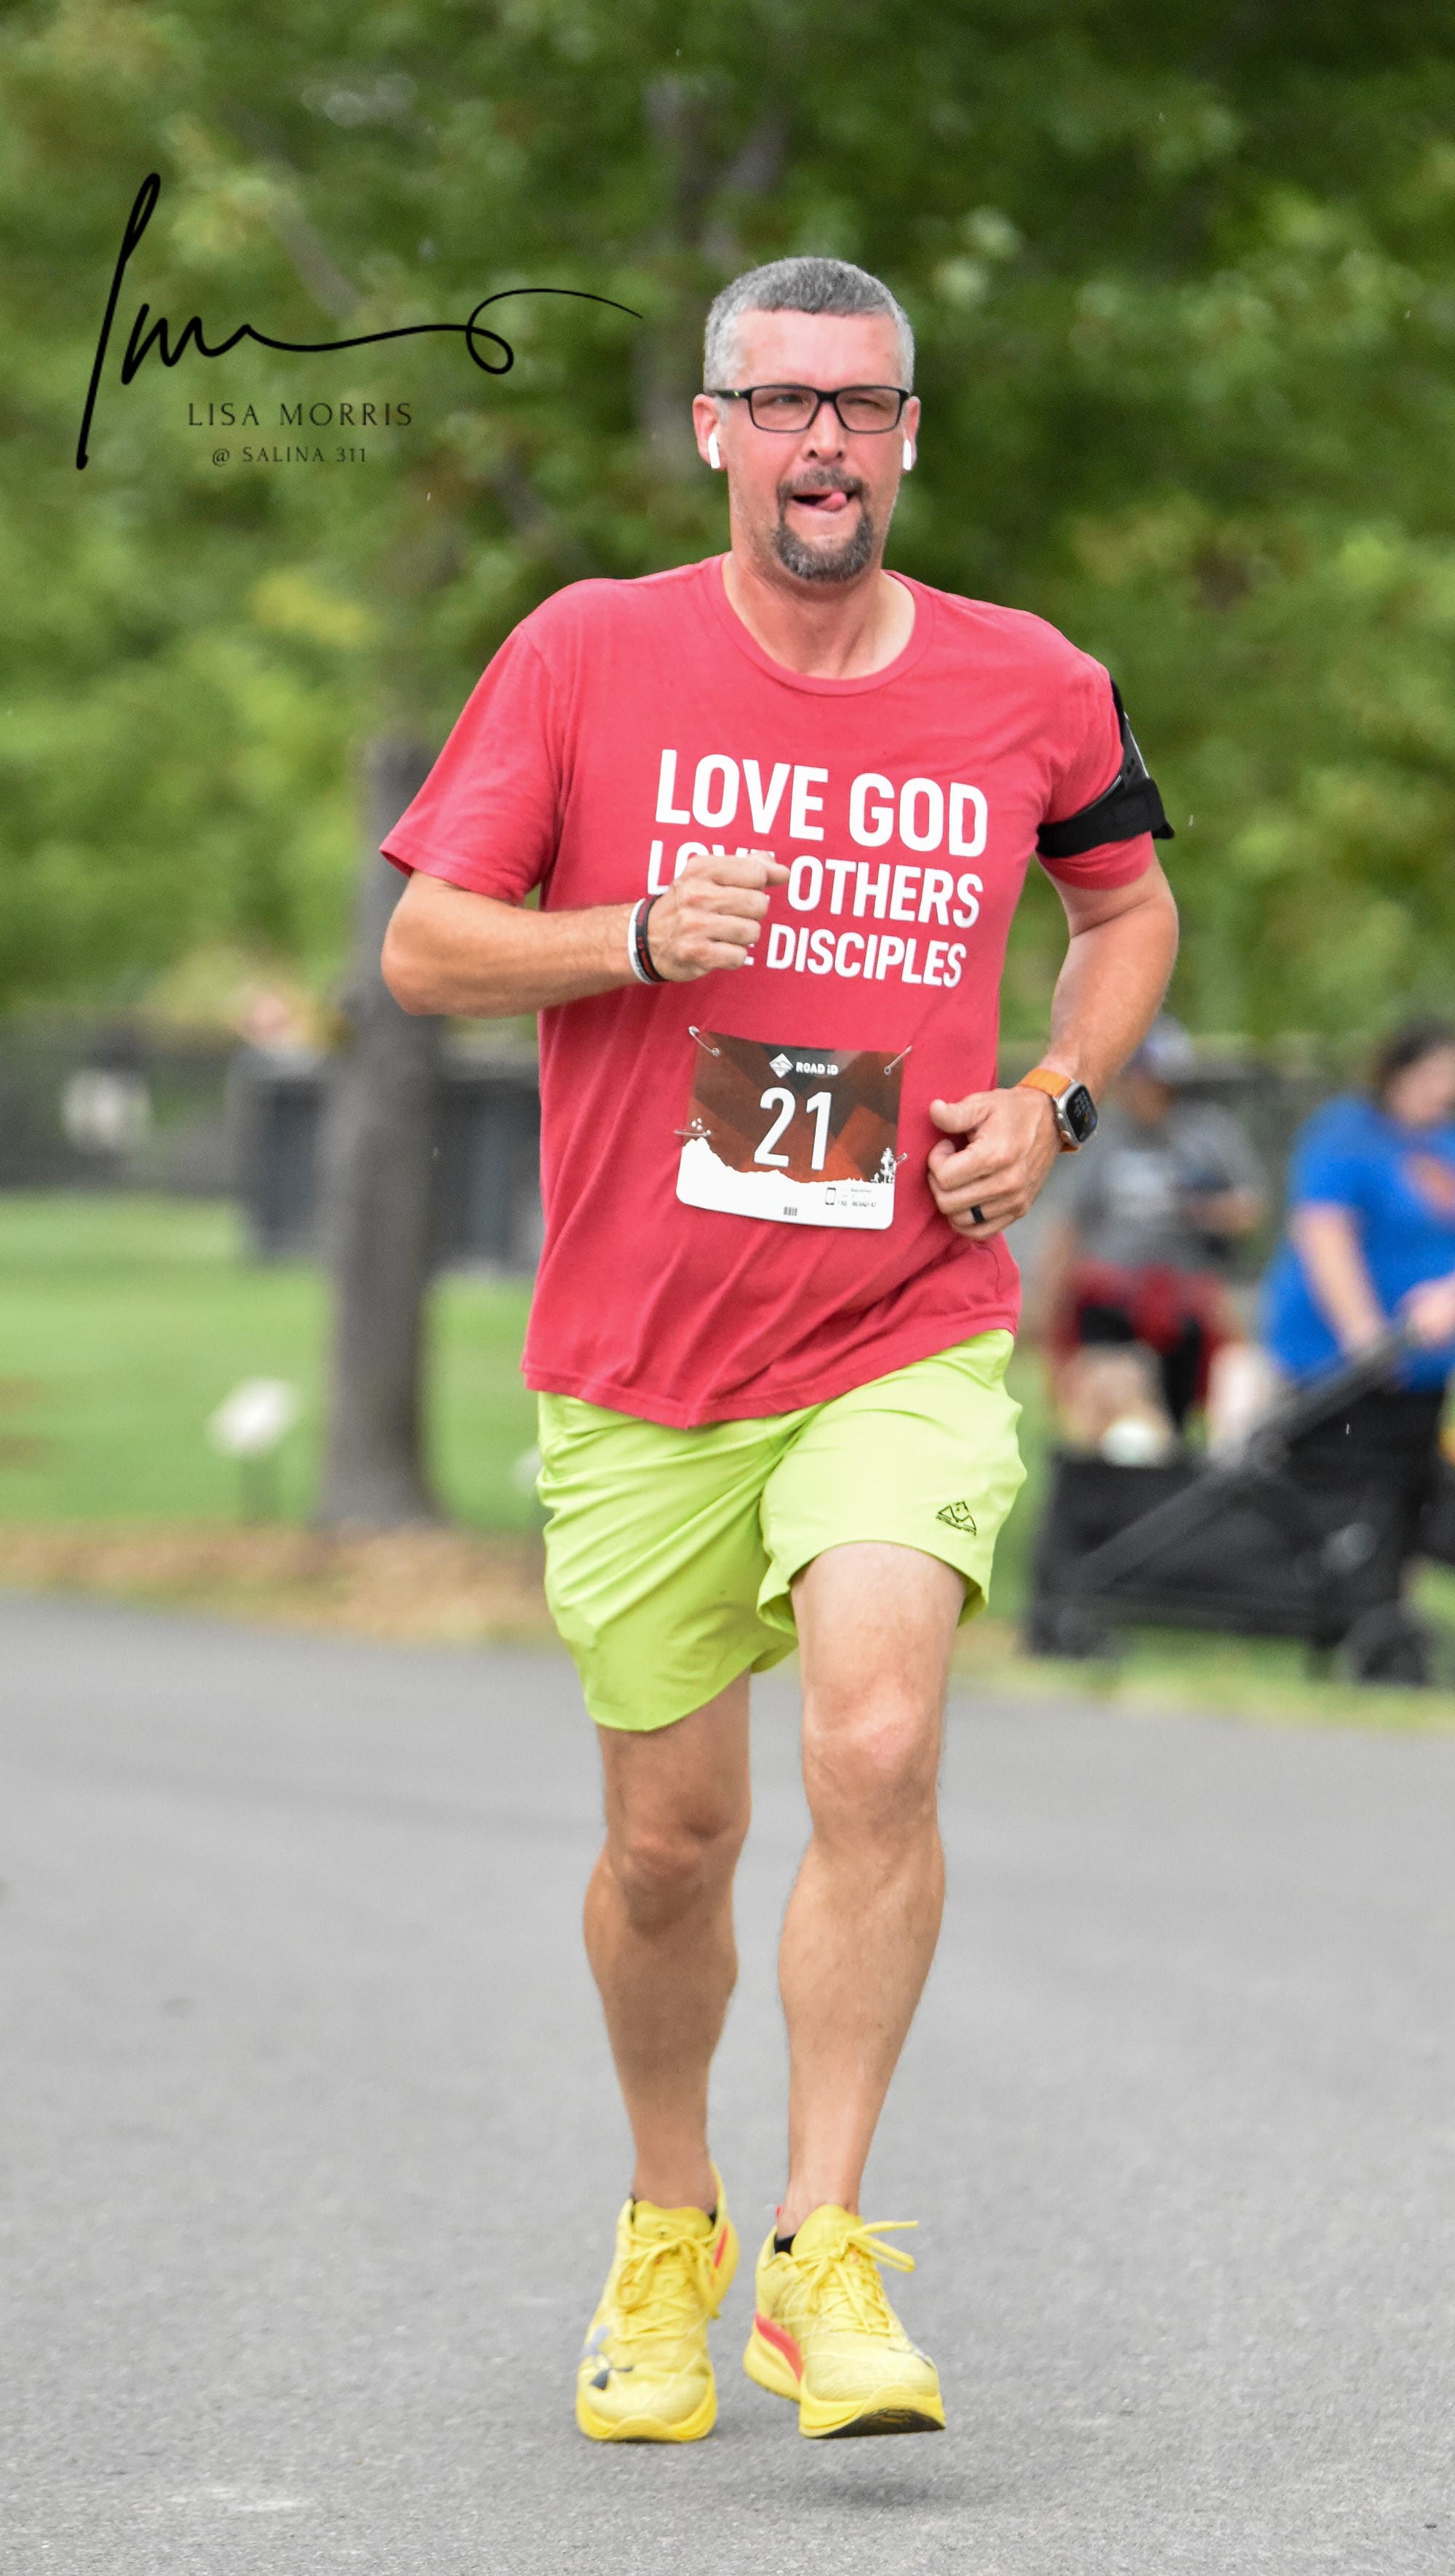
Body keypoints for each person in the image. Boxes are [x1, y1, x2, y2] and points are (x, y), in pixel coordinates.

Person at [379, 255, 1179, 2444]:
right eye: (783, 401)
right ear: (714, 430)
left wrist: (1053, 1100)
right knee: (669, 1845)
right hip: (640, 1351)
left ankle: (825, 2253)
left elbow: (1125, 906)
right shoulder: (586, 649)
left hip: (898, 1319)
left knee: (879, 1743)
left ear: (909, 436)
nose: (823, 441)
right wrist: (632, 935)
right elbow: (427, 944)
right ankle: (673, 2218)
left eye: (862, 404)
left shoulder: (1030, 683)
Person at [1030, 1015, 1264, 1434]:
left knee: (1175, 1422)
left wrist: (1205, 1209)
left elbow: (1248, 1210)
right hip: (1112, 1296)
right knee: (1114, 1414)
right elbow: (1066, 1227)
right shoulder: (1099, 1136)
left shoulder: (1206, 1134)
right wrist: (1049, 1308)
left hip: (1181, 1300)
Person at [1261, 1021, 1455, 1519]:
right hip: (1340, 1361)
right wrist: (1364, 1335)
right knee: (1340, 1491)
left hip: (1425, 1361)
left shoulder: (1445, 1140)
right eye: (1433, 1074)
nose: (1444, 1088)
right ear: (1397, 1072)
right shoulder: (1348, 1135)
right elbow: (1325, 1234)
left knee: (1407, 1489)